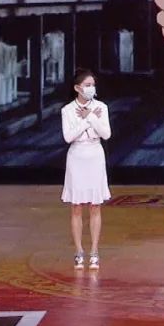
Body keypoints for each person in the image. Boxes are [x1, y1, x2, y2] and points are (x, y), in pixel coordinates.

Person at [61, 69, 112, 269]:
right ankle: (79, 251)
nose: (91, 88)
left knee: (95, 205)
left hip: (95, 155)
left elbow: (106, 134)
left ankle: (95, 251)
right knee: (76, 206)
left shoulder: (101, 107)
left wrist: (91, 116)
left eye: (93, 85)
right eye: (87, 85)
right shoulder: (67, 110)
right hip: (77, 156)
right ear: (77, 88)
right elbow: (68, 136)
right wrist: (86, 120)